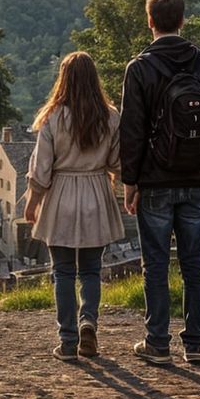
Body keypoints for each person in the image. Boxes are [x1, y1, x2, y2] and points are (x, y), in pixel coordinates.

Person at [115, 0, 200, 367]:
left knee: (156, 264)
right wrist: (195, 147)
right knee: (195, 263)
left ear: (150, 21)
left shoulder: (140, 69)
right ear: (183, 20)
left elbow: (131, 132)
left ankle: (158, 342)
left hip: (154, 180)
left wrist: (129, 182)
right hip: (196, 178)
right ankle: (195, 344)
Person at [24, 50, 124, 362]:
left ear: (63, 80)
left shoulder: (53, 118)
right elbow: (116, 162)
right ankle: (88, 323)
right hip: (96, 192)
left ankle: (67, 340)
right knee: (92, 270)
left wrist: (32, 204)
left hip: (61, 195)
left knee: (63, 272)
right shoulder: (110, 116)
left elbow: (41, 170)